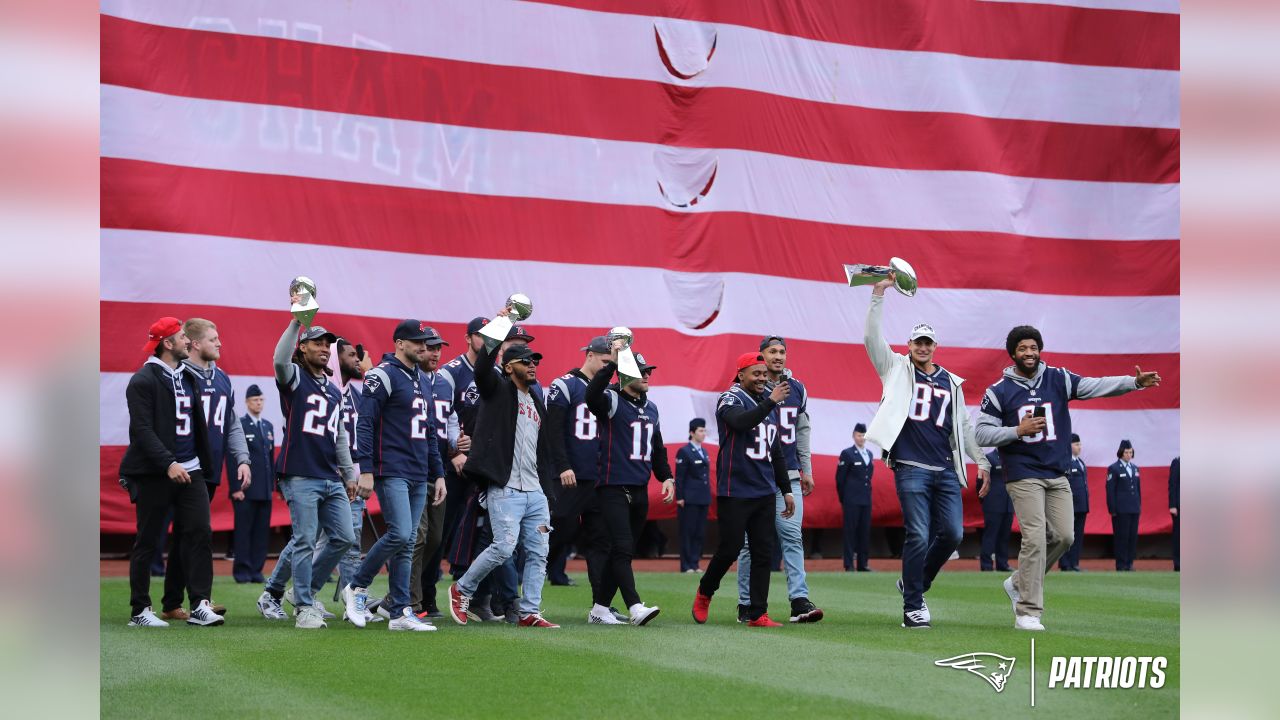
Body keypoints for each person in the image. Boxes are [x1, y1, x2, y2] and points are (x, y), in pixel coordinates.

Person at [975, 325, 1159, 630]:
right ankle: (1027, 611)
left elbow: (1095, 385)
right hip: (1022, 473)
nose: (1029, 353)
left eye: (1033, 347)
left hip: (1056, 472)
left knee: (1064, 536)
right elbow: (981, 432)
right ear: (1013, 353)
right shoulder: (999, 391)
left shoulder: (1058, 378)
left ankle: (1019, 582)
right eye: (1023, 348)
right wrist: (1016, 431)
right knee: (1033, 537)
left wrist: (1133, 383)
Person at [862, 275, 990, 630]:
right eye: (918, 342)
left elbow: (963, 425)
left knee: (952, 534)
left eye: (928, 343)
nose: (923, 347)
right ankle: (913, 605)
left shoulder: (950, 381)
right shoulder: (896, 368)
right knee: (918, 532)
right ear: (910, 344)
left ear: (935, 347)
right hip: (910, 467)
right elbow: (872, 339)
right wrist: (878, 293)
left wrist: (982, 460)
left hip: (944, 467)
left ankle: (914, 581)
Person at [447, 327, 560, 628]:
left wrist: (549, 491)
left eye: (534, 360)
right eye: (525, 361)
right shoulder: (496, 389)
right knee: (504, 546)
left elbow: (543, 449)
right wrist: (503, 321)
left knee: (539, 553)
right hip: (505, 485)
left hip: (534, 488)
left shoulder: (536, 399)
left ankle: (529, 612)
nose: (532, 364)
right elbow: (483, 365)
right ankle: (461, 590)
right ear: (509, 367)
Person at [343, 320, 445, 632]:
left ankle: (400, 611)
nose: (423, 348)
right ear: (399, 343)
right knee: (401, 533)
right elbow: (365, 422)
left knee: (409, 539)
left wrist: (438, 473)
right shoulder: (382, 374)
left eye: (425, 344)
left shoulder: (422, 379)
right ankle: (357, 587)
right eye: (417, 342)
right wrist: (367, 470)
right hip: (392, 468)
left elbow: (428, 432)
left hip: (417, 470)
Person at [121, 317, 223, 627]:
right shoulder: (143, 380)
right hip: (157, 473)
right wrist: (168, 463)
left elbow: (197, 428)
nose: (187, 342)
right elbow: (141, 430)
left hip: (191, 471)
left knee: (200, 534)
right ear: (167, 344)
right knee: (149, 541)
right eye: (181, 338)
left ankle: (200, 604)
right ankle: (140, 609)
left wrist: (200, 465)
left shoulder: (188, 377)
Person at [263, 314, 357, 629]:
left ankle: (303, 592)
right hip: (301, 472)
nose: (324, 348)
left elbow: (340, 434)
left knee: (343, 537)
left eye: (327, 344)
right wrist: (296, 323)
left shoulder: (332, 389)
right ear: (302, 348)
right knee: (304, 539)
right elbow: (278, 359)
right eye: (317, 343)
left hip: (331, 475)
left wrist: (349, 473)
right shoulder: (294, 378)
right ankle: (304, 607)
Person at [691, 352, 794, 628]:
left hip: (763, 488)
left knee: (764, 552)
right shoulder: (731, 398)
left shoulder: (766, 403)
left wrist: (786, 489)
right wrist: (771, 402)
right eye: (756, 373)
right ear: (741, 374)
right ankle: (705, 591)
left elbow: (776, 451)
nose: (762, 378)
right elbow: (739, 422)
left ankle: (758, 612)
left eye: (764, 374)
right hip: (735, 488)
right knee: (730, 548)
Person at [159, 318, 250, 619]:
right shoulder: (178, 376)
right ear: (195, 343)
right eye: (213, 338)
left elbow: (231, 423)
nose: (220, 343)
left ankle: (173, 603)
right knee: (192, 532)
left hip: (208, 468)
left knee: (188, 533)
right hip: (179, 466)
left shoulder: (223, 378)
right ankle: (200, 600)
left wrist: (243, 459)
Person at [582, 347, 674, 626]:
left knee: (622, 551)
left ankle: (599, 609)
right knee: (621, 547)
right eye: (640, 371)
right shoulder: (611, 398)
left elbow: (656, 447)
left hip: (638, 488)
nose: (646, 375)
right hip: (612, 487)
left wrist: (667, 476)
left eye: (648, 371)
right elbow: (591, 395)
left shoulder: (651, 407)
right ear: (624, 375)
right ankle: (635, 607)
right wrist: (612, 364)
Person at [736, 336, 822, 624]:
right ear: (760, 356)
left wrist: (806, 468)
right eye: (772, 351)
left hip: (789, 474)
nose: (778, 356)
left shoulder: (798, 389)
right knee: (750, 544)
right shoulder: (750, 388)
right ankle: (746, 603)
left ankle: (799, 599)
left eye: (782, 351)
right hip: (757, 475)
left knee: (792, 537)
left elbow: (802, 430)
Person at [545, 336, 622, 620]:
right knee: (556, 531)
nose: (608, 367)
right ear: (589, 355)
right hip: (570, 475)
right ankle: (513, 594)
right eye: (605, 361)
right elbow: (552, 430)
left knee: (601, 541)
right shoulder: (565, 384)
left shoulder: (608, 391)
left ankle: (600, 606)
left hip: (599, 476)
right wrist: (563, 465)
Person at [409, 327, 452, 617]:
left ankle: (400, 592)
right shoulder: (408, 378)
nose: (434, 353)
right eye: (429, 347)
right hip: (410, 468)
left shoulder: (445, 383)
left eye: (438, 348)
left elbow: (450, 420)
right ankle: (408, 600)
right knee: (417, 536)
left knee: (435, 539)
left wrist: (460, 444)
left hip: (437, 468)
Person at [231, 384, 274, 583]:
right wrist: (235, 488)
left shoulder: (267, 426)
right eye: (255, 400)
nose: (258, 403)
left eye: (261, 399)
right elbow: (232, 459)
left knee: (261, 533)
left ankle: (257, 570)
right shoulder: (240, 425)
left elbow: (270, 459)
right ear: (247, 403)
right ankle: (242, 572)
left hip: (264, 489)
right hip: (245, 489)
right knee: (243, 532)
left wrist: (273, 486)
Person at [675, 418, 712, 573]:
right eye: (700, 431)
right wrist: (680, 497)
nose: (704, 434)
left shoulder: (703, 451)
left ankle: (695, 563)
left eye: (704, 430)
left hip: (702, 497)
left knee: (699, 532)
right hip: (689, 498)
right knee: (688, 532)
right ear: (692, 433)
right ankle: (686, 565)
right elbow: (680, 477)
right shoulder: (684, 451)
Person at [835, 424, 874, 572]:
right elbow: (840, 479)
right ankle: (849, 564)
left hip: (866, 499)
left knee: (864, 531)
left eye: (863, 435)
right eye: (859, 435)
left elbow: (868, 477)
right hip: (851, 499)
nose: (861, 438)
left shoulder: (869, 454)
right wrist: (843, 498)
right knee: (850, 532)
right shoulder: (847, 453)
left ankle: (863, 564)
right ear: (853, 436)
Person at [1106, 439, 1143, 572]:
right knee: (1122, 537)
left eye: (1130, 452)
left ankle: (1129, 563)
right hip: (1121, 509)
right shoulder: (1114, 468)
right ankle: (1121, 564)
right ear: (1121, 453)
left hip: (1134, 508)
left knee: (1132, 537)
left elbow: (1138, 489)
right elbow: (1110, 490)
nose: (1129, 455)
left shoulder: (1135, 468)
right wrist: (1112, 509)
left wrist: (1139, 506)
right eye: (1126, 452)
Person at [1059, 434, 1089, 572]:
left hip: (1081, 506)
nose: (1079, 447)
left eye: (1080, 444)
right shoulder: (1066, 462)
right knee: (1067, 535)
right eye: (1077, 444)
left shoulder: (1081, 463)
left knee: (1078, 535)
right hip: (1069, 505)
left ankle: (1074, 562)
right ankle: (1065, 563)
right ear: (1069, 445)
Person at [979, 450, 1013, 573]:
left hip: (1009, 503)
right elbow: (980, 481)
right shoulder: (989, 458)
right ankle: (986, 565)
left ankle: (1002, 564)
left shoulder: (1011, 457)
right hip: (993, 503)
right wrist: (985, 499)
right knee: (990, 535)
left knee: (1004, 536)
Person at [1169, 456, 1179, 572]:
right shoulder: (1177, 462)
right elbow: (1173, 484)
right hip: (1179, 506)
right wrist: (1172, 505)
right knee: (1179, 536)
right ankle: (1178, 563)